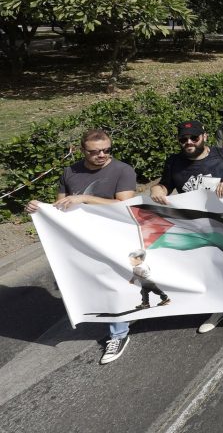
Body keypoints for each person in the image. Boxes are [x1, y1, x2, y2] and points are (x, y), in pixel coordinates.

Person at [26, 129, 138, 365]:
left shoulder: (122, 170)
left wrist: (85, 198)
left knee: (111, 283)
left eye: (106, 150)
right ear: (82, 150)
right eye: (95, 152)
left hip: (114, 238)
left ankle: (118, 334)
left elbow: (124, 205)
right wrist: (39, 208)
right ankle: (129, 313)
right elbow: (60, 206)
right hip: (82, 240)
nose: (102, 155)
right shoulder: (70, 172)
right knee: (97, 283)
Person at [149, 121, 223, 335]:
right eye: (183, 139)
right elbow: (166, 185)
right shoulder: (174, 161)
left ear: (204, 136)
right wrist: (156, 189)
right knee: (209, 269)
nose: (189, 142)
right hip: (196, 225)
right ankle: (219, 308)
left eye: (194, 138)